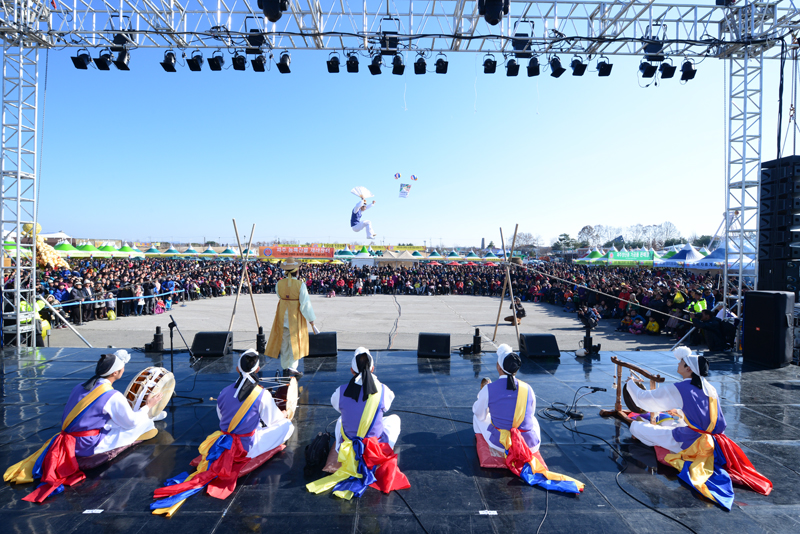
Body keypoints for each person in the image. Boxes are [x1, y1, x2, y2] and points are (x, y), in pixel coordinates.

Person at [4, 350, 165, 502]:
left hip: (72, 438)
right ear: (115, 373)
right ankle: (148, 421)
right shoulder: (112, 396)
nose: (123, 369)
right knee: (143, 424)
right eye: (122, 368)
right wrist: (148, 406)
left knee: (119, 421)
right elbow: (131, 423)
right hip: (87, 445)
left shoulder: (80, 386)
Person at [624, 347, 772, 509]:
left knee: (637, 427)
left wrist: (631, 383)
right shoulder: (710, 388)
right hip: (712, 438)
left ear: (688, 368)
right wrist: (679, 411)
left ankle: (655, 439)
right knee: (667, 420)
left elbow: (642, 400)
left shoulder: (680, 388)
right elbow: (703, 413)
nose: (678, 364)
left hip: (690, 440)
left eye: (681, 362)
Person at [150, 350, 294, 516]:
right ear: (258, 368)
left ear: (237, 368)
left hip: (225, 440)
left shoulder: (224, 391)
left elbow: (222, 418)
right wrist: (282, 416)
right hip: (247, 447)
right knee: (287, 426)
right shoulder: (262, 394)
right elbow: (272, 421)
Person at [473, 345, 584, 493]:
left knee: (477, 415)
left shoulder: (489, 389)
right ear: (516, 369)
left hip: (502, 444)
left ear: (498, 366)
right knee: (532, 418)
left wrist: (484, 399)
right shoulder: (528, 388)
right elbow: (528, 415)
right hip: (530, 445)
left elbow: (480, 414)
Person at [307, 348, 409, 500]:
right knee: (394, 419)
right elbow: (386, 407)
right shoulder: (383, 390)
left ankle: (346, 453)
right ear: (373, 369)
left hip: (349, 448)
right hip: (374, 448)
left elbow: (337, 406)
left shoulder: (340, 392)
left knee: (341, 419)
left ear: (351, 370)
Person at [266, 258, 317, 378]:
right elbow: (305, 304)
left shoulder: (279, 283)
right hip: (295, 317)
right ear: (296, 271)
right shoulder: (300, 285)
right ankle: (292, 368)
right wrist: (311, 320)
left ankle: (285, 367)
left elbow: (279, 295)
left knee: (284, 343)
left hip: (282, 316)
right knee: (295, 343)